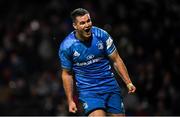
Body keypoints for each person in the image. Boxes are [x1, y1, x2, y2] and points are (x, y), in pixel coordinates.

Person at [59, 8, 136, 116]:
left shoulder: (102, 35)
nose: (87, 25)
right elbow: (67, 74)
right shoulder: (67, 46)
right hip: (89, 92)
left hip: (110, 87)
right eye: (82, 23)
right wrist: (70, 100)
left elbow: (116, 59)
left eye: (88, 21)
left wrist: (128, 82)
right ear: (75, 26)